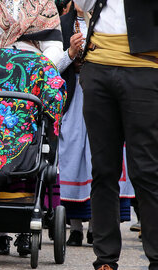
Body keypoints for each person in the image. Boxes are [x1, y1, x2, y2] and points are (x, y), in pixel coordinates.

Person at [0, 0, 64, 256]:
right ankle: (1, 234)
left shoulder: (45, 3)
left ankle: (24, 229)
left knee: (29, 138)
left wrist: (34, 64)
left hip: (30, 79)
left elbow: (54, 46)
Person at [74, 1, 158, 269]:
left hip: (146, 69)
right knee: (103, 169)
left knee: (146, 170)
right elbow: (81, 3)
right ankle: (105, 260)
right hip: (97, 65)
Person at [57, 1, 134, 247]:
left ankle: (97, 227)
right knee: (73, 157)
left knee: (100, 156)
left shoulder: (106, 21)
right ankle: (75, 227)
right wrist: (70, 54)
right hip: (75, 96)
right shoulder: (63, 25)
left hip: (103, 92)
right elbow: (51, 68)